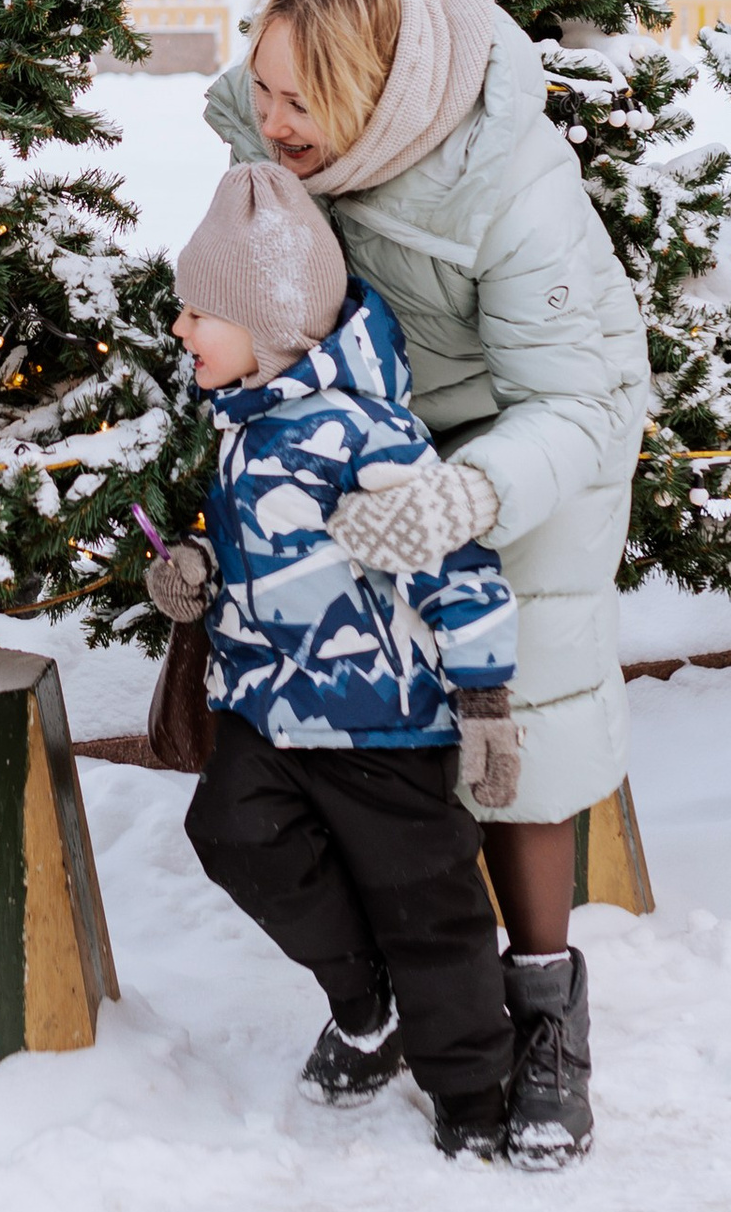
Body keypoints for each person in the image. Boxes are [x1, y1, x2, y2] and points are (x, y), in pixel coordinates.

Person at [203, 0, 651, 1162]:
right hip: (368, 430)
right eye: (263, 89)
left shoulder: (510, 186)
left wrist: (468, 496)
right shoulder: (270, 130)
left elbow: (578, 401)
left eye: (300, 103)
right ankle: (395, 995)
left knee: (522, 718)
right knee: (372, 726)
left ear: (372, 94)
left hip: (536, 434)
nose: (271, 123)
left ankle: (546, 1012)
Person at [164, 161, 522, 1158]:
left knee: (429, 909)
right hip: (267, 709)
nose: (182, 330)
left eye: (200, 313)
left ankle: (474, 1098)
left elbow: (453, 561)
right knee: (232, 832)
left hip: (382, 718)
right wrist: (198, 567)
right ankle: (368, 1007)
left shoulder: (369, 433)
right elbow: (266, 551)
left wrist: (485, 698)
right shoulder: (242, 424)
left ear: (270, 323)